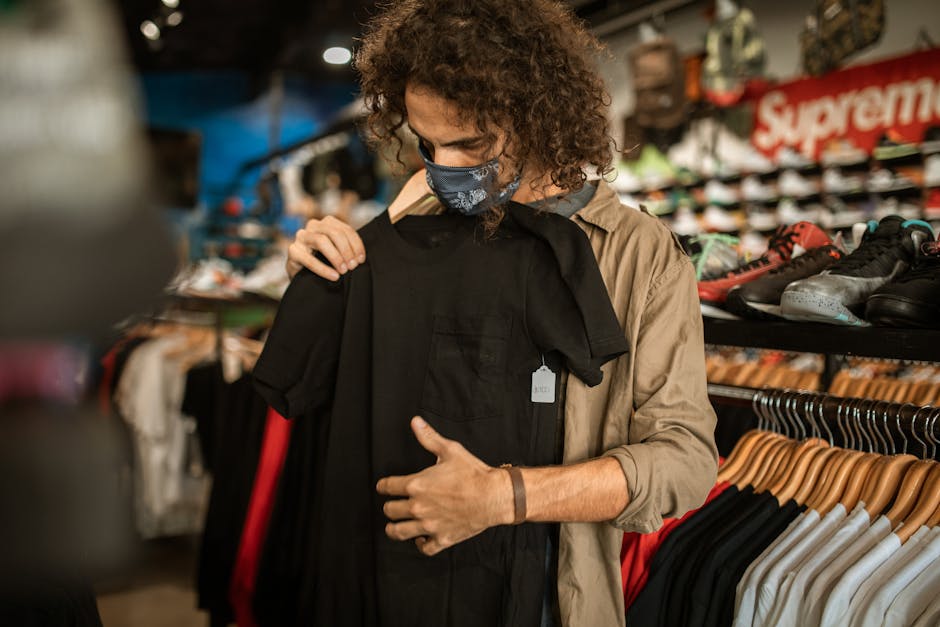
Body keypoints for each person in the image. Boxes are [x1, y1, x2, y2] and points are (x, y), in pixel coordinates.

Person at [285, 1, 718, 625]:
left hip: (553, 600)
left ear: (539, 117)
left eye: (470, 144)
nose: (444, 168)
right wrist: (319, 274)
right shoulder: (416, 223)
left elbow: (685, 461)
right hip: (401, 585)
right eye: (427, 144)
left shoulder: (638, 256)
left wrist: (503, 496)